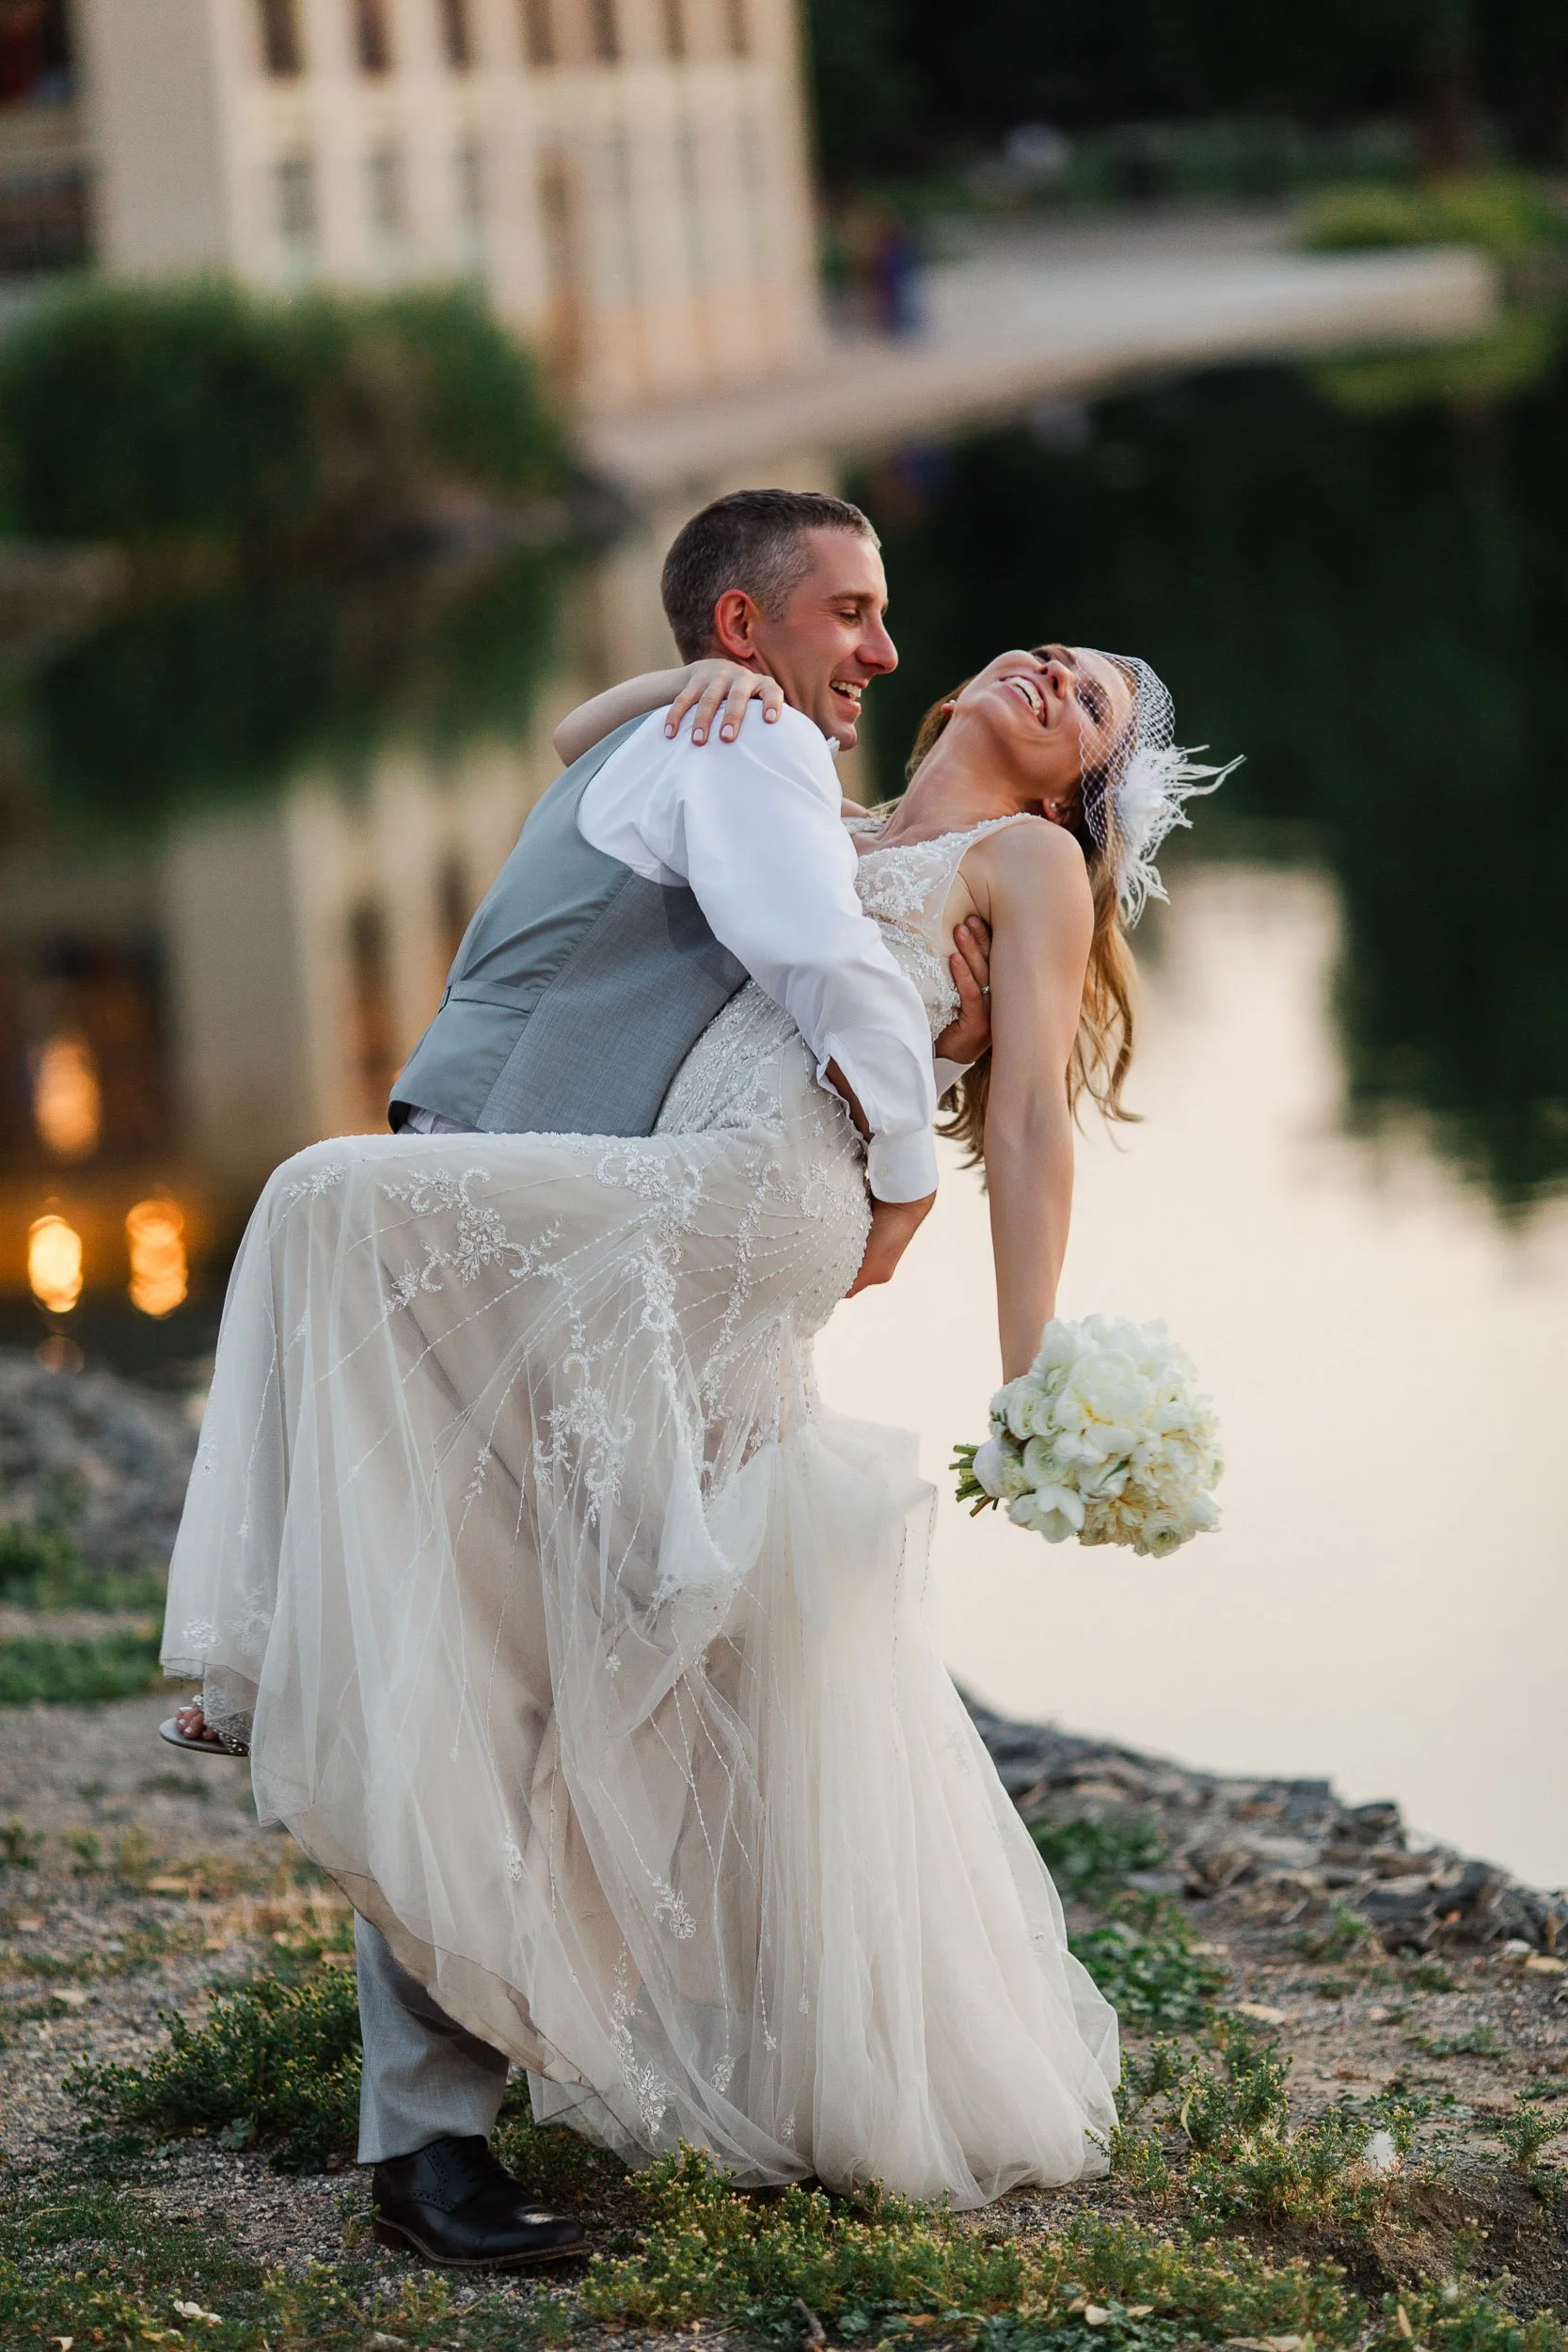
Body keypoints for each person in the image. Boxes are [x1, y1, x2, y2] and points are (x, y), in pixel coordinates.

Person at [160, 489, 1204, 2260]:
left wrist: (1032, 1376)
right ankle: (726, 2062)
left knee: (330, 1204)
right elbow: (582, 737)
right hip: (674, 1221)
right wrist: (695, 689)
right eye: (1057, 653)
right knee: (611, 1627)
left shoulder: (1016, 866)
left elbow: (1022, 1122)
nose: (1062, 671)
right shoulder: (797, 775)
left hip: (740, 1213)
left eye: (1092, 703)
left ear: (1075, 793)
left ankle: (255, 1654)